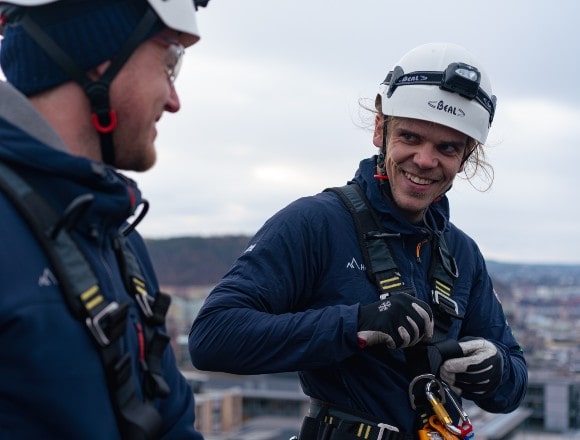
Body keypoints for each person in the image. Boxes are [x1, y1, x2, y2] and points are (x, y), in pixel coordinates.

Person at [189, 42, 528, 439]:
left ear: (466, 156)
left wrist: (498, 370)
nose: (424, 159)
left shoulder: (461, 254)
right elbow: (213, 337)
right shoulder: (317, 224)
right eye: (411, 137)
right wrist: (357, 324)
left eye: (447, 148)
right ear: (379, 129)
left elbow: (513, 383)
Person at [0, 0, 209, 438]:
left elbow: (171, 418)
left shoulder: (115, 235)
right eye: (169, 61)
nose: (174, 101)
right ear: (100, 60)